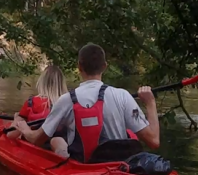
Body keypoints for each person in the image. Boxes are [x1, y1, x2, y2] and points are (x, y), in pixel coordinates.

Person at [12, 44, 160, 163]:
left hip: (84, 168)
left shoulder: (66, 99)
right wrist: (150, 103)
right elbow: (154, 141)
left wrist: (24, 129)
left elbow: (37, 140)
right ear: (104, 66)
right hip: (119, 165)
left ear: (79, 67)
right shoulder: (123, 95)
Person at [8, 64, 69, 157]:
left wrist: (17, 118)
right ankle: (62, 151)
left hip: (36, 145)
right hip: (59, 141)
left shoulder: (31, 102)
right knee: (57, 140)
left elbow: (11, 134)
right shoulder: (70, 102)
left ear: (41, 82)